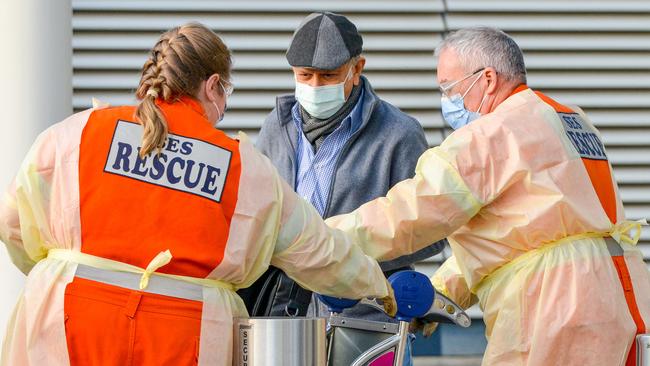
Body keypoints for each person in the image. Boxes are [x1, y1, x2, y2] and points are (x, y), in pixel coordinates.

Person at [0, 23, 396, 366]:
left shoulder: (78, 131)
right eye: (225, 91)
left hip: (66, 322)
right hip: (187, 335)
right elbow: (317, 250)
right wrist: (376, 286)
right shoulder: (243, 166)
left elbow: (14, 223)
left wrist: (59, 271)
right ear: (211, 85)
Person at [324, 26, 650, 366]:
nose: (447, 101)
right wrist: (443, 295)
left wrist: (322, 240)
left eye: (448, 88)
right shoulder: (570, 120)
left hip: (551, 307)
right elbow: (518, 237)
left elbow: (412, 212)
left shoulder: (493, 134)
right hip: (622, 296)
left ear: (489, 79)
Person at [248, 11, 444, 359]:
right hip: (282, 320)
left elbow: (431, 232)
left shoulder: (399, 134)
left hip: (368, 323)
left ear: (357, 68)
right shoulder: (275, 128)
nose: (314, 87)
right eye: (304, 76)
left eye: (329, 76)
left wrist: (343, 249)